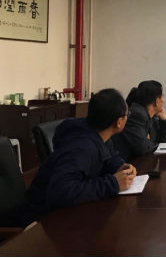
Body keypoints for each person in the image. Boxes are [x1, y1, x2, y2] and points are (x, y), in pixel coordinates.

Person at [22, 89, 136, 226]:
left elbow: (110, 154)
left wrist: (120, 166)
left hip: (71, 211)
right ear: (119, 122)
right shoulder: (82, 149)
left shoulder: (97, 132)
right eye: (127, 115)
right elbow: (60, 192)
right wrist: (113, 183)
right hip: (42, 222)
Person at [112, 81, 166, 162]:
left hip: (141, 161)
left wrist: (164, 119)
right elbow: (144, 148)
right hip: (126, 163)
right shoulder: (137, 115)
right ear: (157, 101)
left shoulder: (151, 116)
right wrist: (152, 142)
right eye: (163, 97)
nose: (163, 100)